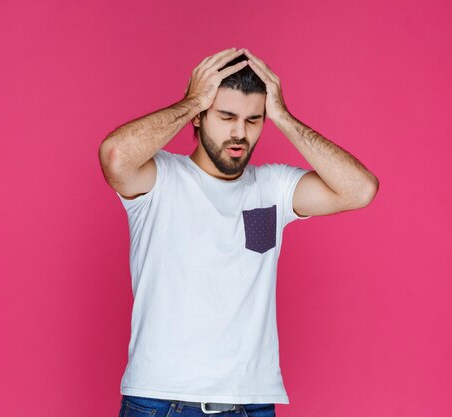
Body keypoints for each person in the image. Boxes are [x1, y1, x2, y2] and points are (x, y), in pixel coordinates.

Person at [98, 47, 379, 417]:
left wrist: (284, 117)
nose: (239, 132)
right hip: (162, 401)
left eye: (253, 120)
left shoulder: (272, 188)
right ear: (199, 117)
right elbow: (115, 156)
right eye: (226, 116)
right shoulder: (160, 179)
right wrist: (192, 100)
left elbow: (360, 189)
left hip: (252, 405)